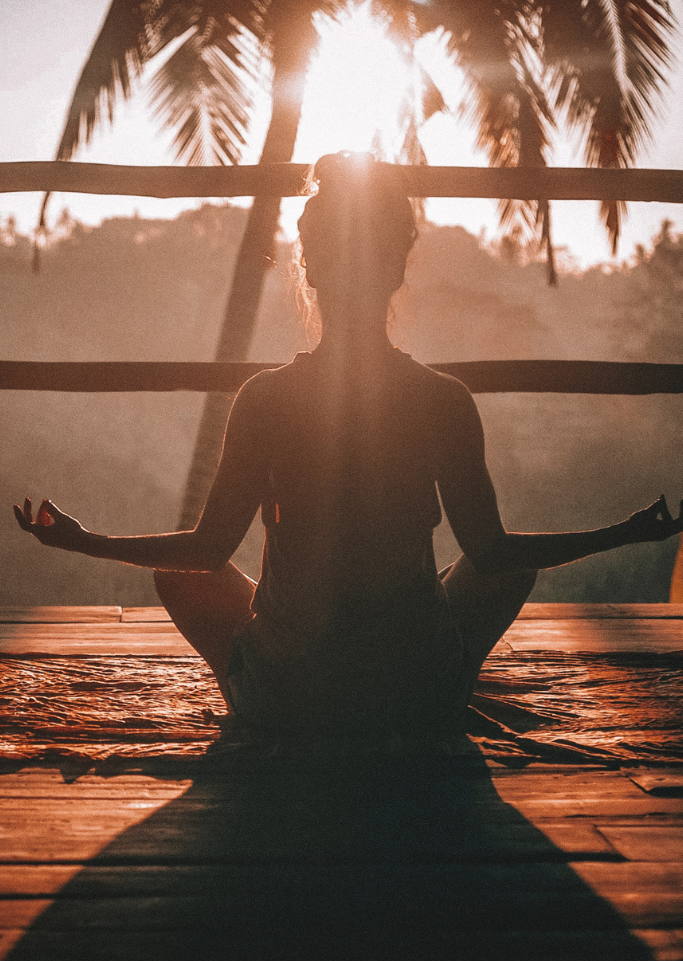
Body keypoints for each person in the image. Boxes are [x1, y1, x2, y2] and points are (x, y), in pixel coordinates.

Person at [14, 152, 683, 751]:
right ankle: (438, 689)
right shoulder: (442, 398)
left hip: (290, 701)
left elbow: (205, 551)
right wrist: (621, 533)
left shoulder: (266, 397)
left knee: (179, 576)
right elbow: (493, 553)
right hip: (413, 695)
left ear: (308, 268)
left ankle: (271, 692)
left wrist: (86, 540)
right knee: (502, 568)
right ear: (396, 268)